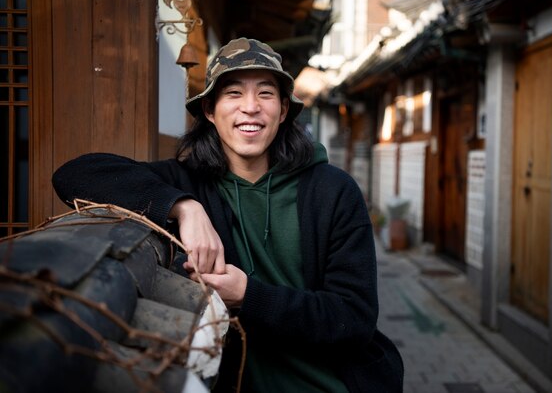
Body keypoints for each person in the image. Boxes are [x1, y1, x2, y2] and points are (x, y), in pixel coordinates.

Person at [53, 37, 403, 392]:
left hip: (331, 382)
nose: (250, 108)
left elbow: (354, 318)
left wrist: (250, 296)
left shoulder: (333, 191)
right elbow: (75, 175)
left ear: (283, 111)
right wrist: (184, 207)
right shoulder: (187, 180)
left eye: (265, 93)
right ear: (209, 110)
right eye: (233, 93)